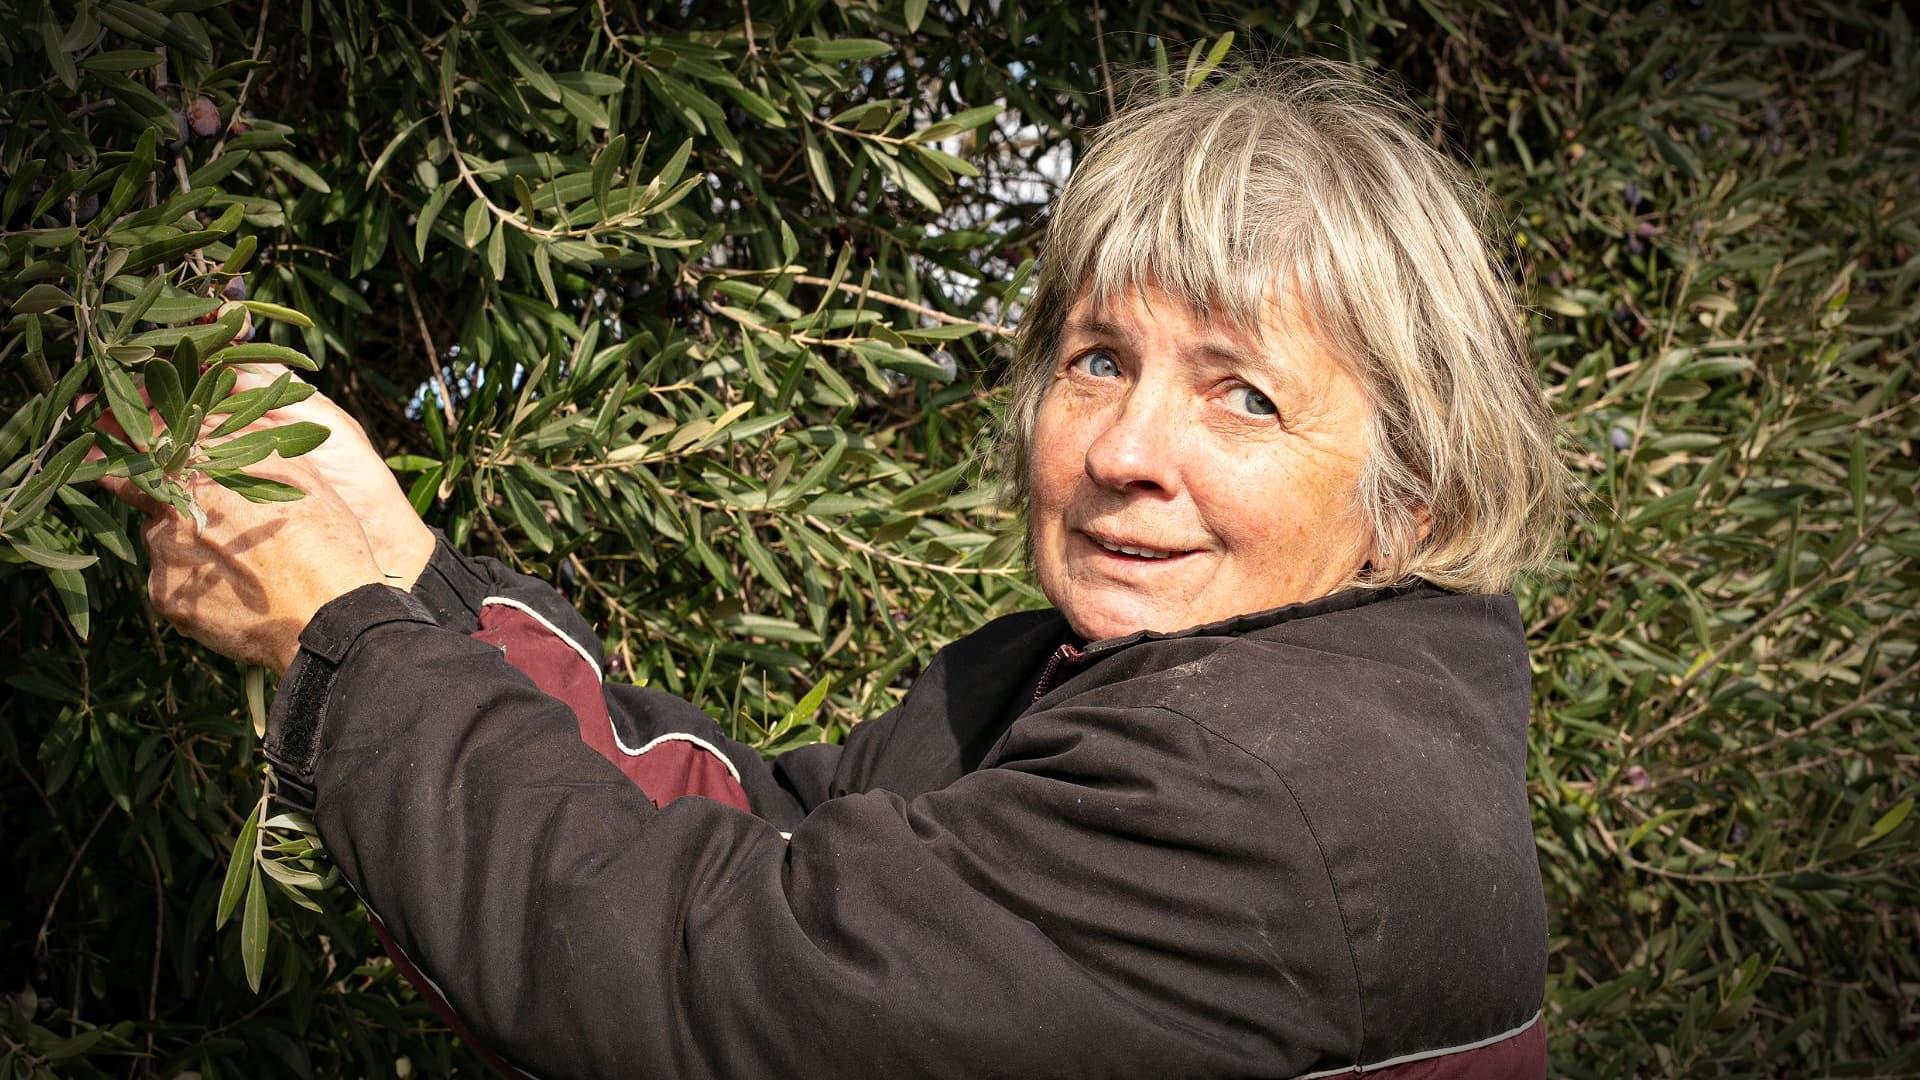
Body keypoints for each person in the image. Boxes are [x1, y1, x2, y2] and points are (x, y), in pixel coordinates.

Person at [106, 65, 1567, 1078]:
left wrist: (338, 640)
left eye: (1241, 395)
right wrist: (406, 575)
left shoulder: (1254, 791)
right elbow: (752, 836)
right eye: (1098, 360)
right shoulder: (1096, 684)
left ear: (1414, 499)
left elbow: (706, 990)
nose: (1127, 448)